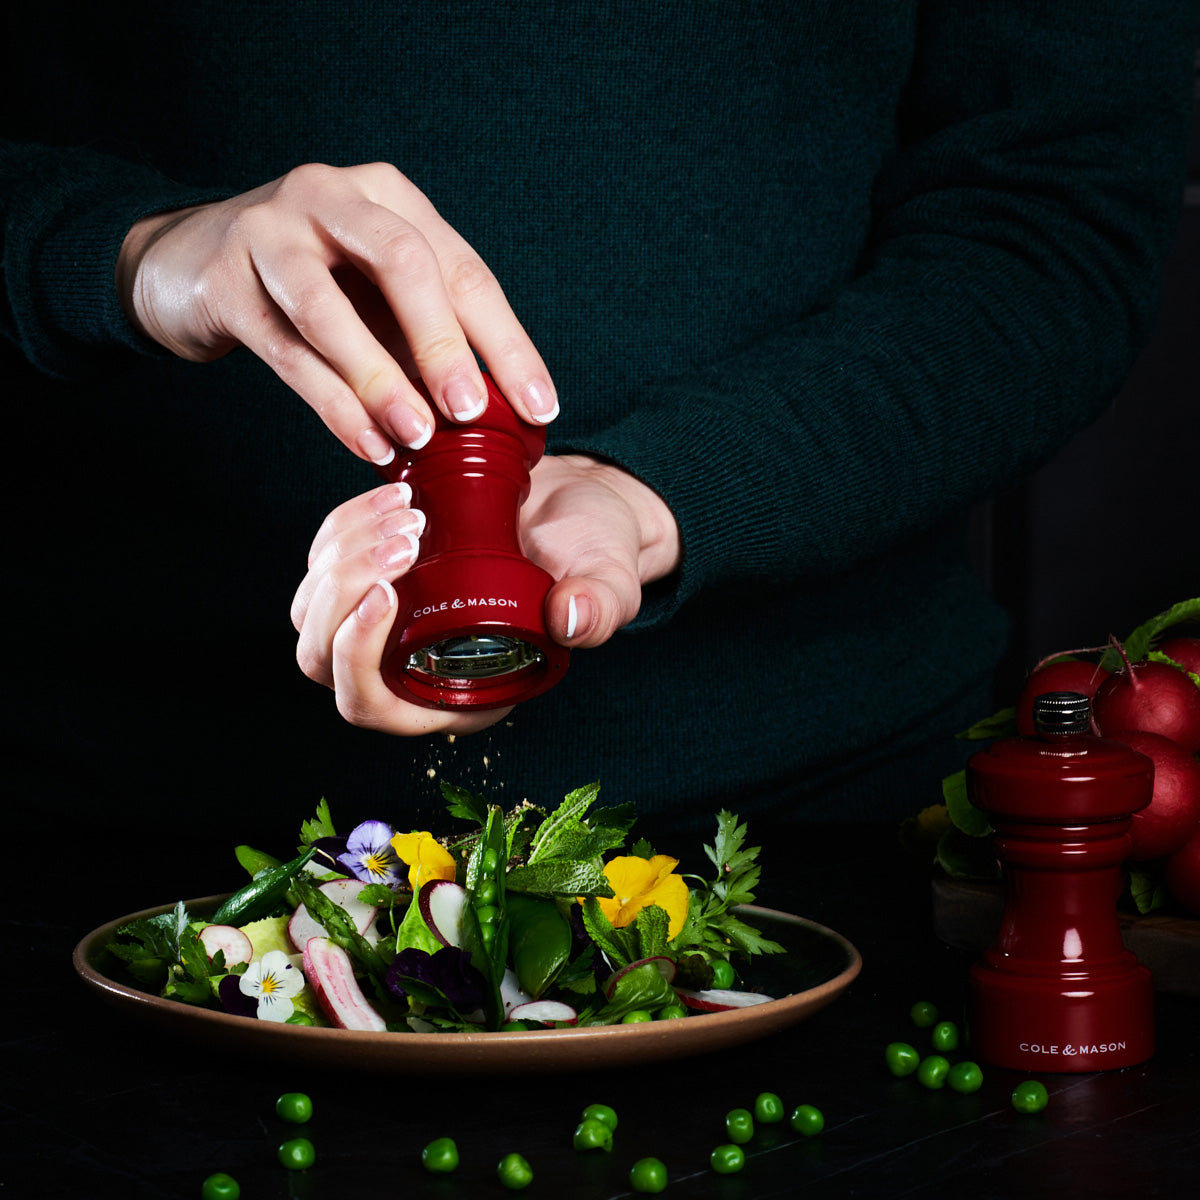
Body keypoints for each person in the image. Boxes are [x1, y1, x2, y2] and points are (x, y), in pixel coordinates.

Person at [4, 4, 1197, 861]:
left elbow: (1050, 219)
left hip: (829, 843)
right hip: (107, 834)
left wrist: (667, 494)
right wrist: (122, 256)